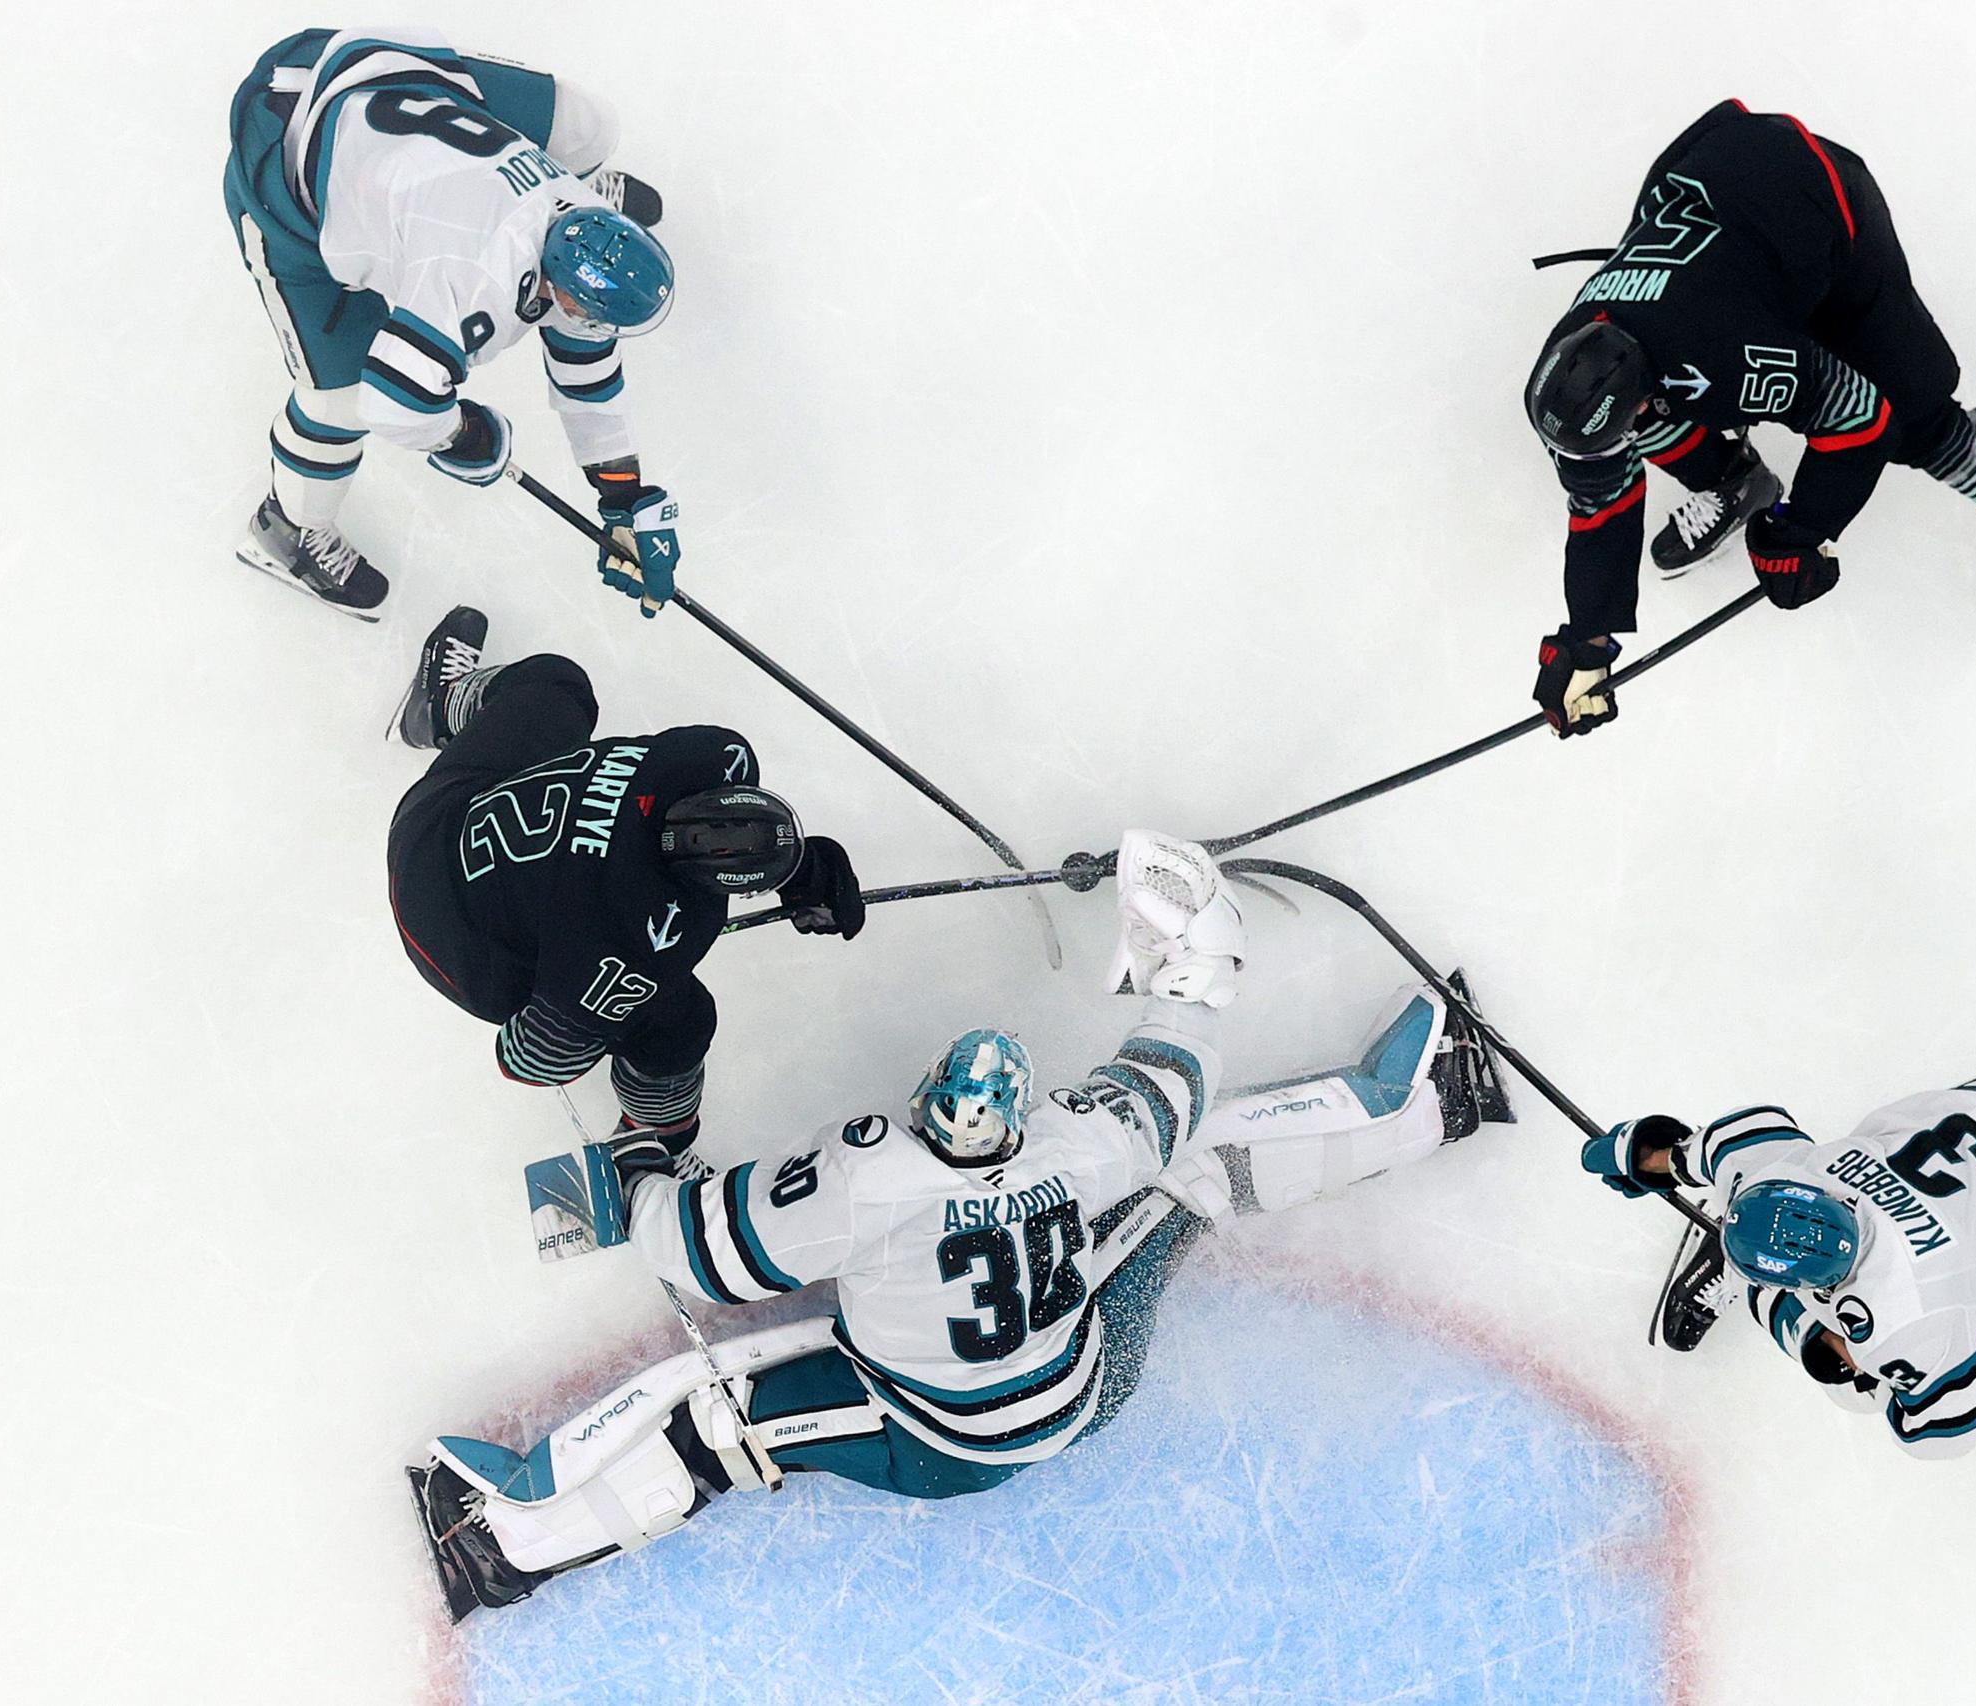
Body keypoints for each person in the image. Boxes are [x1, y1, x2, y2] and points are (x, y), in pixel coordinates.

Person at [404, 833, 1507, 1620]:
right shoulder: (1068, 1145)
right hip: (1087, 1382)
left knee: (719, 1427)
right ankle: (1429, 1104)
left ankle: (507, 1544)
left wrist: (644, 1171)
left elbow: (703, 1255)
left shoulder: (869, 1174)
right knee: (1196, 1166)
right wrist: (1192, 945)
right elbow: (1169, 1073)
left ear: (930, 1096)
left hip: (934, 1437)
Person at [1524, 100, 1976, 736]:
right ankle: (1733, 480)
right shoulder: (1574, 358)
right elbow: (1598, 496)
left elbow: (1861, 420)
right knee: (1641, 425)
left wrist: (1802, 531)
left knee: (1921, 424)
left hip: (1819, 207)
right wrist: (1589, 638)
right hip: (1720, 199)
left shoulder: (1724, 350)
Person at [1580, 1076, 1976, 1528]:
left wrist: (1844, 1350)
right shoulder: (1789, 1170)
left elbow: (1948, 1426)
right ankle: (1755, 1271)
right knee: (1841, 1357)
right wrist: (1653, 1155)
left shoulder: (1905, 1315)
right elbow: (1736, 1138)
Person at [223, 26, 679, 618]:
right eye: (588, 314)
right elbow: (393, 404)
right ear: (560, 290)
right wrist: (463, 435)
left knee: (589, 124)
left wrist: (625, 492)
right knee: (338, 400)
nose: (595, 331)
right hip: (283, 167)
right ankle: (287, 532)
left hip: (371, 74)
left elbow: (587, 367)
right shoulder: (475, 280)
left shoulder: (578, 213)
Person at [385, 608, 865, 1147]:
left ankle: (439, 708)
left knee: (557, 683)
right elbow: (528, 1060)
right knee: (680, 1023)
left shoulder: (708, 756)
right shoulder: (636, 941)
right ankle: (657, 1136)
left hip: (441, 813)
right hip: (446, 934)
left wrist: (800, 867)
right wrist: (580, 991)